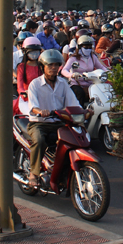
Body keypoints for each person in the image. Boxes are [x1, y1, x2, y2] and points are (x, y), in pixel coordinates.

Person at [25, 48, 81, 188]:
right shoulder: (35, 85)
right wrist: (41, 111)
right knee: (38, 140)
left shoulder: (63, 84)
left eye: (56, 65)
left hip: (59, 122)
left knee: (73, 139)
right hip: (39, 123)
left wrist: (85, 111)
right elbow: (33, 107)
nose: (54, 68)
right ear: (42, 67)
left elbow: (73, 103)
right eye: (50, 65)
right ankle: (34, 173)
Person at [60, 35, 107, 105]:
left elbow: (101, 67)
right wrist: (72, 75)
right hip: (77, 84)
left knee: (102, 92)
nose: (88, 49)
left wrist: (108, 72)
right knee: (80, 94)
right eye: (85, 47)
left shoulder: (92, 57)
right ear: (79, 47)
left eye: (89, 47)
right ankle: (80, 112)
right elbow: (64, 70)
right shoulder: (74, 58)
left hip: (91, 84)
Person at [16, 36, 43, 101]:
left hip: (42, 97)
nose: (34, 54)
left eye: (36, 51)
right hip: (27, 98)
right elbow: (20, 86)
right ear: (25, 52)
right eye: (31, 52)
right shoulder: (21, 67)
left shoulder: (43, 66)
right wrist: (24, 92)